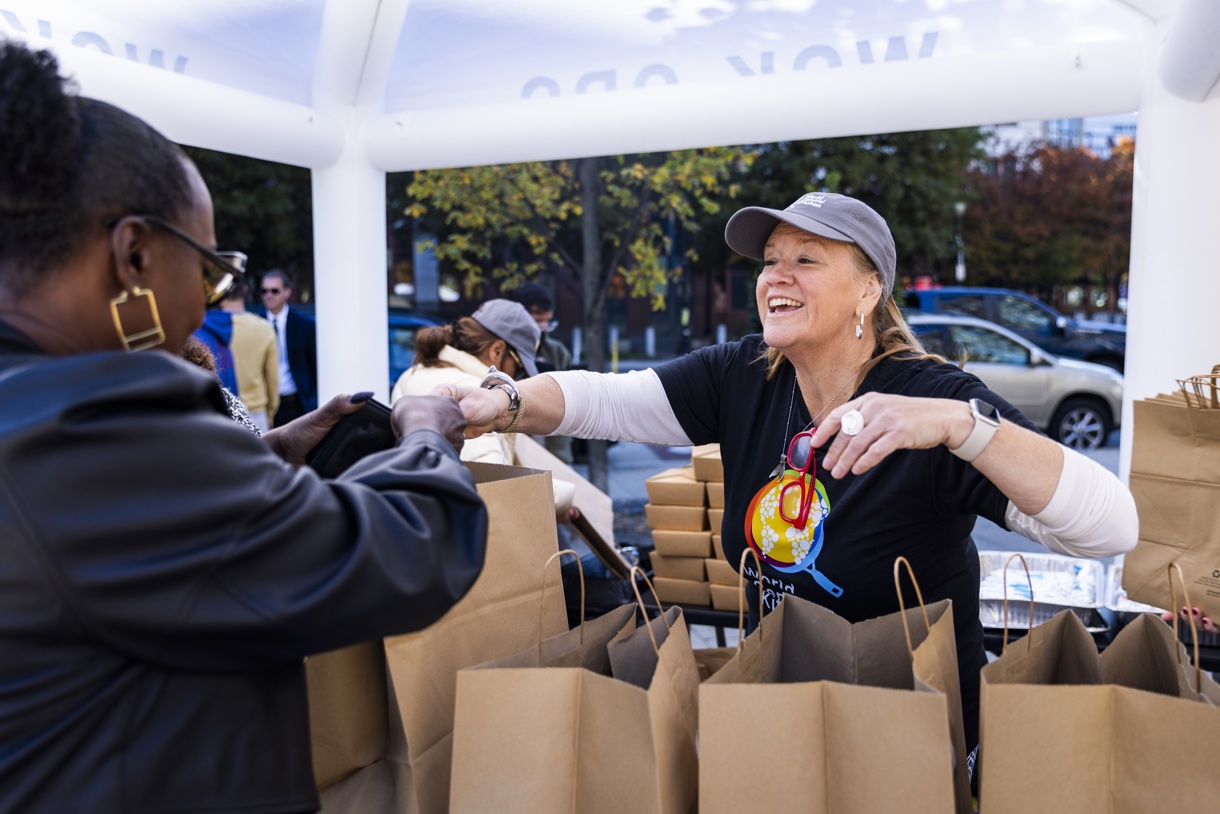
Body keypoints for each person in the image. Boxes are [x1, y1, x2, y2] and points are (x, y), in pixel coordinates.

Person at [444, 191, 1139, 754]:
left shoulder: (937, 402)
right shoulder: (744, 375)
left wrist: (964, 430)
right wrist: (500, 401)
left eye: (806, 259)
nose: (776, 276)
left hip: (912, 741)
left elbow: (1111, 527)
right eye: (770, 260)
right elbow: (604, 399)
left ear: (870, 291)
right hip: (781, 727)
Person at [0, 42, 488, 812]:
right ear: (134, 255)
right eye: (208, 273)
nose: (207, 305)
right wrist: (425, 431)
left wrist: (267, 455)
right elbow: (405, 550)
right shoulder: (96, 426)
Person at [391, 298, 541, 466]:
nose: (516, 378)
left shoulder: (412, 373)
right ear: (497, 351)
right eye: (519, 368)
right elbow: (490, 480)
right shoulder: (478, 393)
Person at [507, 282, 575, 463]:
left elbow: (571, 401)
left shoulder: (557, 351)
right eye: (537, 321)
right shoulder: (503, 352)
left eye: (548, 321)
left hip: (556, 451)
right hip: (519, 450)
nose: (543, 327)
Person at [218, 281, 280, 433]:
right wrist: (270, 414)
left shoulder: (210, 328)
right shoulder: (263, 328)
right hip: (255, 414)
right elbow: (272, 379)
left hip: (220, 412)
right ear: (245, 290)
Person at [259, 268, 317, 426]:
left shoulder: (305, 325)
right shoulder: (255, 323)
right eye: (264, 291)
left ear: (287, 292)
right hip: (263, 405)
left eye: (274, 291)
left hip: (295, 403)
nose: (268, 295)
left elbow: (314, 366)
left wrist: (311, 398)